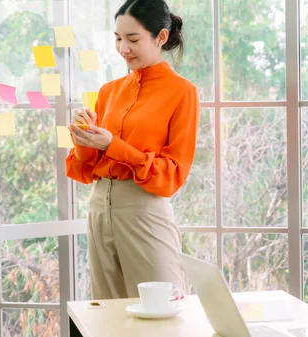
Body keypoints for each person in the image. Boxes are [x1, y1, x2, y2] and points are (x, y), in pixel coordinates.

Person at [65, 0, 199, 300]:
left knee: (163, 314)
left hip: (144, 209)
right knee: (109, 318)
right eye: (118, 38)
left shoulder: (182, 92)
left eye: (133, 39)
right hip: (100, 208)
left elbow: (173, 174)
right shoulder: (109, 91)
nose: (123, 48)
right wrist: (83, 136)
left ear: (161, 37)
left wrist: (114, 145)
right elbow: (85, 169)